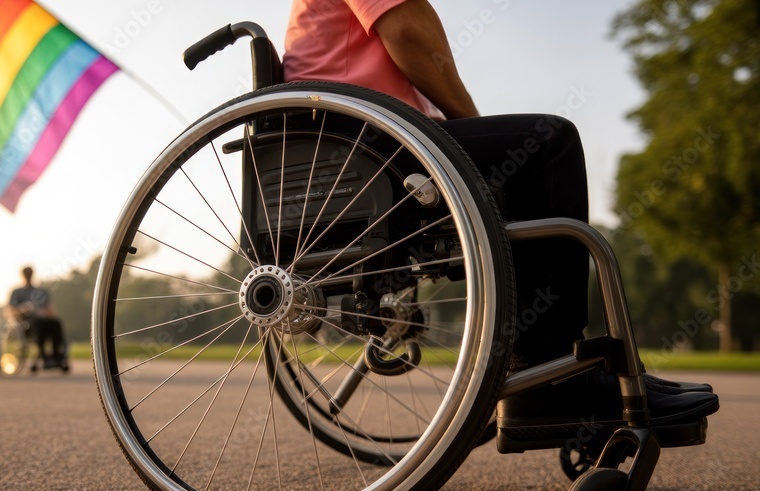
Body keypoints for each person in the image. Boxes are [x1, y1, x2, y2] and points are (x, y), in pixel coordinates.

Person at [283, 0, 718, 431]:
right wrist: (469, 132)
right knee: (549, 144)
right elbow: (408, 34)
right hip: (355, 158)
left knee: (524, 164)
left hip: (356, 154)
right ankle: (549, 374)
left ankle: (558, 368)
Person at [8, 266, 67, 368]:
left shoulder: (41, 291)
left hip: (44, 321)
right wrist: (23, 310)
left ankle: (56, 354)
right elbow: (10, 311)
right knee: (37, 323)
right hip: (26, 324)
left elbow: (51, 311)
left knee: (56, 322)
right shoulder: (17, 292)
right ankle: (44, 356)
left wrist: (43, 312)